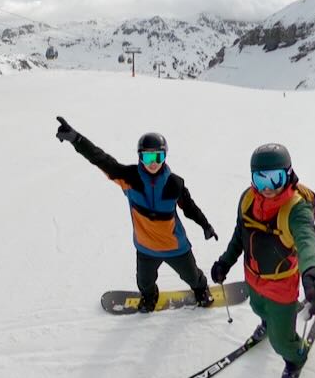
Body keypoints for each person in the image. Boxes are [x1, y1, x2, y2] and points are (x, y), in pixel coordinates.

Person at [55, 117, 217, 311]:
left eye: (158, 157)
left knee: (192, 276)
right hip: (146, 247)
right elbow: (100, 159)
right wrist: (76, 139)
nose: (153, 163)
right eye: (148, 157)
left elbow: (190, 208)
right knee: (144, 282)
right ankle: (150, 296)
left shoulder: (175, 184)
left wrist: (205, 225)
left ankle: (201, 289)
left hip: (175, 247)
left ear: (165, 157)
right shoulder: (129, 178)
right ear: (140, 157)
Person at [210, 143, 315, 378]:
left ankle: (295, 358)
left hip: (280, 288)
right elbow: (239, 235)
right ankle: (267, 322)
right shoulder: (247, 200)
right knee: (257, 308)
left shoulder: (296, 209)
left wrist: (312, 271)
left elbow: (307, 239)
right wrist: (225, 261)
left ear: (288, 174)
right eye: (260, 180)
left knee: (281, 341)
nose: (268, 188)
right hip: (253, 279)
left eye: (275, 179)